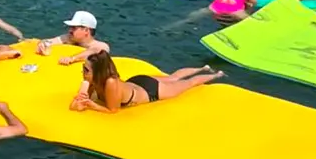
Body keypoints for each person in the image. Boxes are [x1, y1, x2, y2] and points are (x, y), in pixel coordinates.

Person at [73, 51, 222, 112]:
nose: (83, 72)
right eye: (83, 68)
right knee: (172, 78)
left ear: (97, 71)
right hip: (135, 82)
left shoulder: (110, 83)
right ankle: (204, 67)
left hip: (150, 90)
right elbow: (80, 101)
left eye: (86, 69)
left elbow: (113, 110)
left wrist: (92, 105)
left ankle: (215, 74)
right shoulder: (93, 79)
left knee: (186, 83)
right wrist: (83, 96)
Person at [35, 9, 111, 61]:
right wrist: (42, 44)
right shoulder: (68, 38)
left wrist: (73, 58)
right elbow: (49, 41)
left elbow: (97, 50)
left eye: (74, 28)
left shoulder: (100, 46)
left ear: (86, 30)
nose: (70, 30)